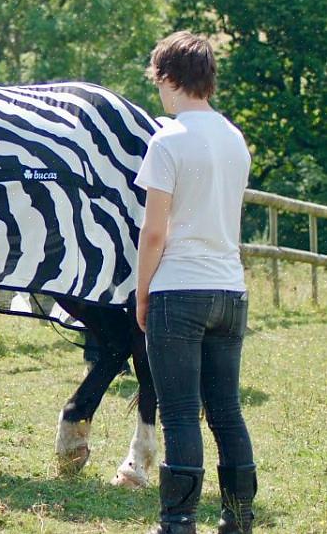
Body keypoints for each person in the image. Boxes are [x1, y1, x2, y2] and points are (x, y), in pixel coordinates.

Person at [135, 31, 255, 534]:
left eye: (158, 82)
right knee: (226, 410)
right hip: (230, 289)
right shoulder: (235, 138)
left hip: (179, 289)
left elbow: (155, 230)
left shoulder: (168, 140)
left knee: (180, 413)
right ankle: (239, 516)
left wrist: (142, 293)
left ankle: (178, 521)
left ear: (168, 78)